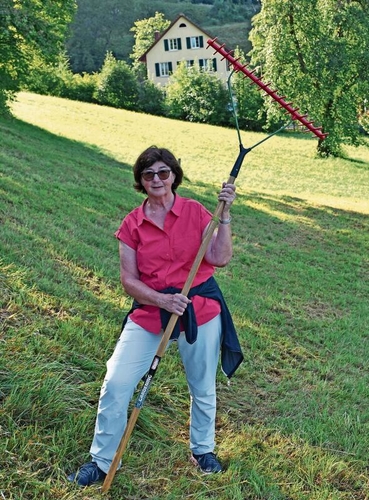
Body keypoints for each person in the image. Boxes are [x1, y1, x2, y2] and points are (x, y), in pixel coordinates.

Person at [67, 146, 243, 487]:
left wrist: (224, 217)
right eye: (149, 175)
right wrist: (162, 300)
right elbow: (129, 281)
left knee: (203, 385)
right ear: (141, 181)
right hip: (151, 310)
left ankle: (203, 450)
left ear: (174, 175)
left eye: (164, 172)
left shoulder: (195, 211)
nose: (157, 179)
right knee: (116, 382)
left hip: (200, 310)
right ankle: (101, 462)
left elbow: (219, 258)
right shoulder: (132, 223)